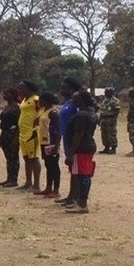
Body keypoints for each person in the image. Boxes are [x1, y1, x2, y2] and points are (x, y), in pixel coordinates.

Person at [64, 91, 98, 213]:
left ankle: (82, 203)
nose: (73, 101)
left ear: (82, 100)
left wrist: (70, 153)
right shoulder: (88, 113)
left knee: (83, 175)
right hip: (86, 147)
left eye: (76, 99)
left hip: (82, 148)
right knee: (81, 175)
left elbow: (78, 135)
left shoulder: (82, 115)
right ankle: (80, 201)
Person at [54, 77, 81, 206]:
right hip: (66, 138)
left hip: (73, 138)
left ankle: (75, 197)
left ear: (70, 89)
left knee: (75, 168)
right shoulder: (67, 102)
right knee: (72, 168)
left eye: (63, 87)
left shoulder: (75, 103)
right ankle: (71, 195)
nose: (61, 90)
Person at [17, 80, 41, 191]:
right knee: (26, 158)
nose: (20, 91)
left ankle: (36, 185)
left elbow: (42, 111)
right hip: (23, 133)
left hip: (32, 133)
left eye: (22, 89)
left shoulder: (35, 99)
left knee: (34, 158)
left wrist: (37, 122)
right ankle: (28, 182)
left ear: (29, 89)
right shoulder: (24, 100)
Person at [36, 92, 60, 198]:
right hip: (43, 141)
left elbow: (59, 130)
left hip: (51, 142)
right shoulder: (43, 111)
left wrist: (57, 145)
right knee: (48, 165)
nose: (39, 102)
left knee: (54, 165)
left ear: (46, 101)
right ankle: (48, 187)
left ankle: (56, 189)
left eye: (41, 100)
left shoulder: (53, 113)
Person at [0, 88, 20, 187]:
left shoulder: (16, 107)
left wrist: (16, 138)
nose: (4, 95)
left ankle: (14, 180)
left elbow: (19, 124)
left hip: (12, 133)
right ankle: (9, 178)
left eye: (7, 93)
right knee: (8, 157)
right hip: (5, 133)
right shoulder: (7, 107)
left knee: (14, 157)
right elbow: (0, 118)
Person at [98, 87, 121, 154]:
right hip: (104, 119)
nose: (105, 93)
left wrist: (114, 119)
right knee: (104, 133)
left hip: (111, 119)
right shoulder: (104, 100)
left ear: (111, 93)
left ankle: (113, 148)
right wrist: (99, 120)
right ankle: (106, 147)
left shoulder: (115, 100)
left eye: (107, 92)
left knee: (111, 134)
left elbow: (117, 111)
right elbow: (102, 111)